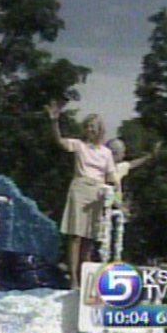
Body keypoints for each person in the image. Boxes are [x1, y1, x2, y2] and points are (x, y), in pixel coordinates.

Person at [46, 100, 120, 289]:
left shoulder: (106, 153)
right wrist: (54, 121)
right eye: (87, 127)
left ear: (100, 130)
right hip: (80, 188)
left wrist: (118, 200)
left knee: (90, 237)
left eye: (93, 127)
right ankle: (73, 279)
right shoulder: (79, 145)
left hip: (98, 192)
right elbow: (59, 142)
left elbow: (113, 177)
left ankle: (85, 275)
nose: (90, 130)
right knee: (75, 235)